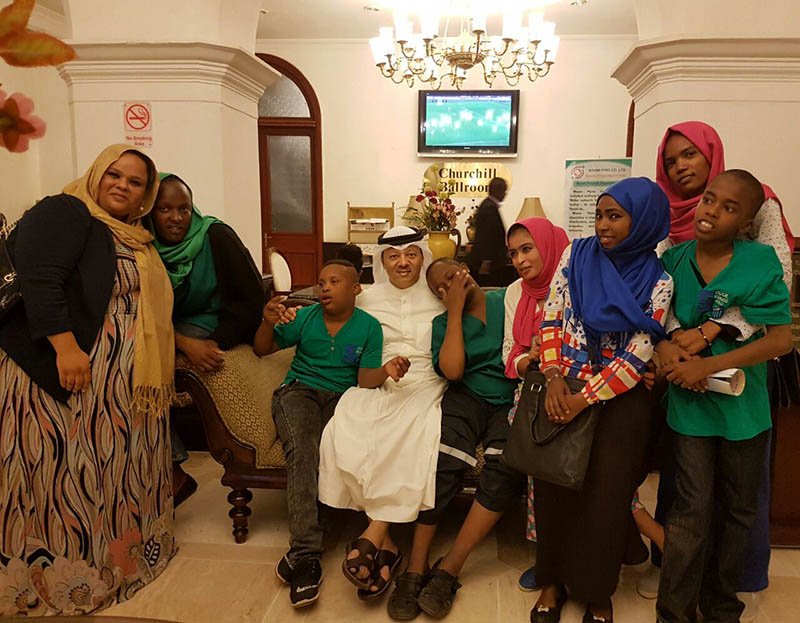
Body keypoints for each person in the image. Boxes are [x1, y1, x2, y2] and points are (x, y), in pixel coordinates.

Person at [0, 144, 176, 616]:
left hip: (118, 382)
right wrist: (65, 348)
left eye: (135, 182)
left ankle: (118, 565)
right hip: (65, 372)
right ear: (96, 174)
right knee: (65, 472)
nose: (122, 185)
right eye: (114, 174)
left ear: (145, 195)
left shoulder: (136, 236)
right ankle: (63, 581)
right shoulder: (67, 210)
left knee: (108, 470)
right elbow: (39, 279)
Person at [639, 120, 793, 609]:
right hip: (690, 411)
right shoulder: (673, 259)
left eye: (729, 208)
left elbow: (780, 339)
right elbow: (655, 321)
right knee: (690, 507)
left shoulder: (761, 262)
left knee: (740, 509)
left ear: (747, 221)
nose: (712, 211)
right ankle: (674, 610)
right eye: (710, 201)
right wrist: (668, 351)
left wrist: (705, 364)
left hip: (744, 410)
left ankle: (722, 605)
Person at [532, 177, 673, 623]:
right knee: (553, 488)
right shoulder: (576, 255)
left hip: (620, 401)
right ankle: (552, 581)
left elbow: (639, 352)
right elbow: (552, 315)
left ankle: (597, 590)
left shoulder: (660, 281)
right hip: (562, 386)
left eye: (615, 216)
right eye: (599, 215)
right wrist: (553, 375)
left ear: (643, 220)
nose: (603, 225)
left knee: (607, 498)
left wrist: (584, 399)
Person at [255, 260, 403, 608]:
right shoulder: (305, 318)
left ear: (356, 289)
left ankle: (344, 536)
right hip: (299, 392)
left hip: (344, 398)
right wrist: (267, 321)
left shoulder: (368, 327)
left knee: (348, 448)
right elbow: (263, 348)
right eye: (321, 282)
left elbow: (365, 379)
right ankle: (305, 554)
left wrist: (386, 370)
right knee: (304, 451)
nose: (324, 288)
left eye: (334, 282)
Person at [388, 257, 523, 620]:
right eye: (441, 289)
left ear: (466, 268)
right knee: (442, 459)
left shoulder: (507, 299)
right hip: (466, 396)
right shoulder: (443, 323)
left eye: (452, 276)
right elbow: (453, 370)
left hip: (511, 398)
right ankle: (416, 566)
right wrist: (454, 313)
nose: (450, 287)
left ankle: (450, 568)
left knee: (504, 466)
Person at [318, 226, 446, 603]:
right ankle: (386, 545)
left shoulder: (439, 295)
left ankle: (374, 535)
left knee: (413, 428)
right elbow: (335, 325)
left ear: (423, 258)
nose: (403, 262)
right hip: (377, 378)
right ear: (382, 262)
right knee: (350, 420)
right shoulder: (366, 298)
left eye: (411, 254)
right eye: (393, 256)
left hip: (426, 380)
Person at [147, 172, 264, 505]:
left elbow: (253, 298)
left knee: (155, 368)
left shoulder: (215, 235)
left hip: (212, 321)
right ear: (150, 211)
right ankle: (170, 467)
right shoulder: (144, 246)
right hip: (165, 328)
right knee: (136, 373)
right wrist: (184, 343)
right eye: (164, 209)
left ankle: (172, 472)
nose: (176, 218)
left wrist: (218, 341)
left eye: (183, 209)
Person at [502, 217, 570, 592]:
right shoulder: (516, 292)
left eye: (527, 249)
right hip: (531, 392)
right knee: (537, 472)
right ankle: (547, 558)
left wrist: (551, 356)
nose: (520, 260)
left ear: (547, 245)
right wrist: (531, 360)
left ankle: (588, 553)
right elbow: (508, 355)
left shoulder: (576, 282)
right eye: (513, 253)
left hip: (578, 390)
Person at [466, 177, 512, 287]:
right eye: (504, 191)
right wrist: (486, 261)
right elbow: (487, 237)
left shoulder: (487, 205)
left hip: (490, 262)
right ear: (497, 190)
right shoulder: (489, 208)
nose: (505, 194)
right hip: (490, 265)